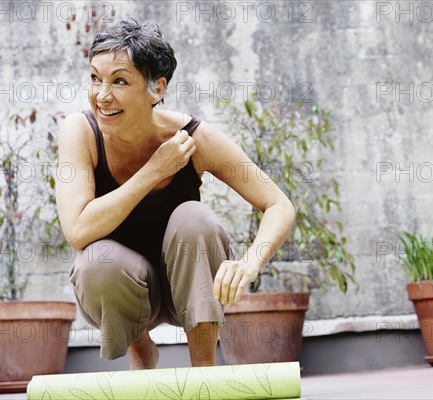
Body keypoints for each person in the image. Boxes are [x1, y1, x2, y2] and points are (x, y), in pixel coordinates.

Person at [56, 17, 295, 370]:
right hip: (124, 288)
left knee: (194, 218)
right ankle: (141, 351)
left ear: (157, 88)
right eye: (95, 78)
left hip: (190, 285)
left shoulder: (193, 137)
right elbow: (77, 230)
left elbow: (278, 204)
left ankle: (203, 365)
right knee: (95, 259)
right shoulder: (81, 131)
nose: (102, 95)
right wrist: (154, 170)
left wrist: (250, 263)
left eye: (119, 81)